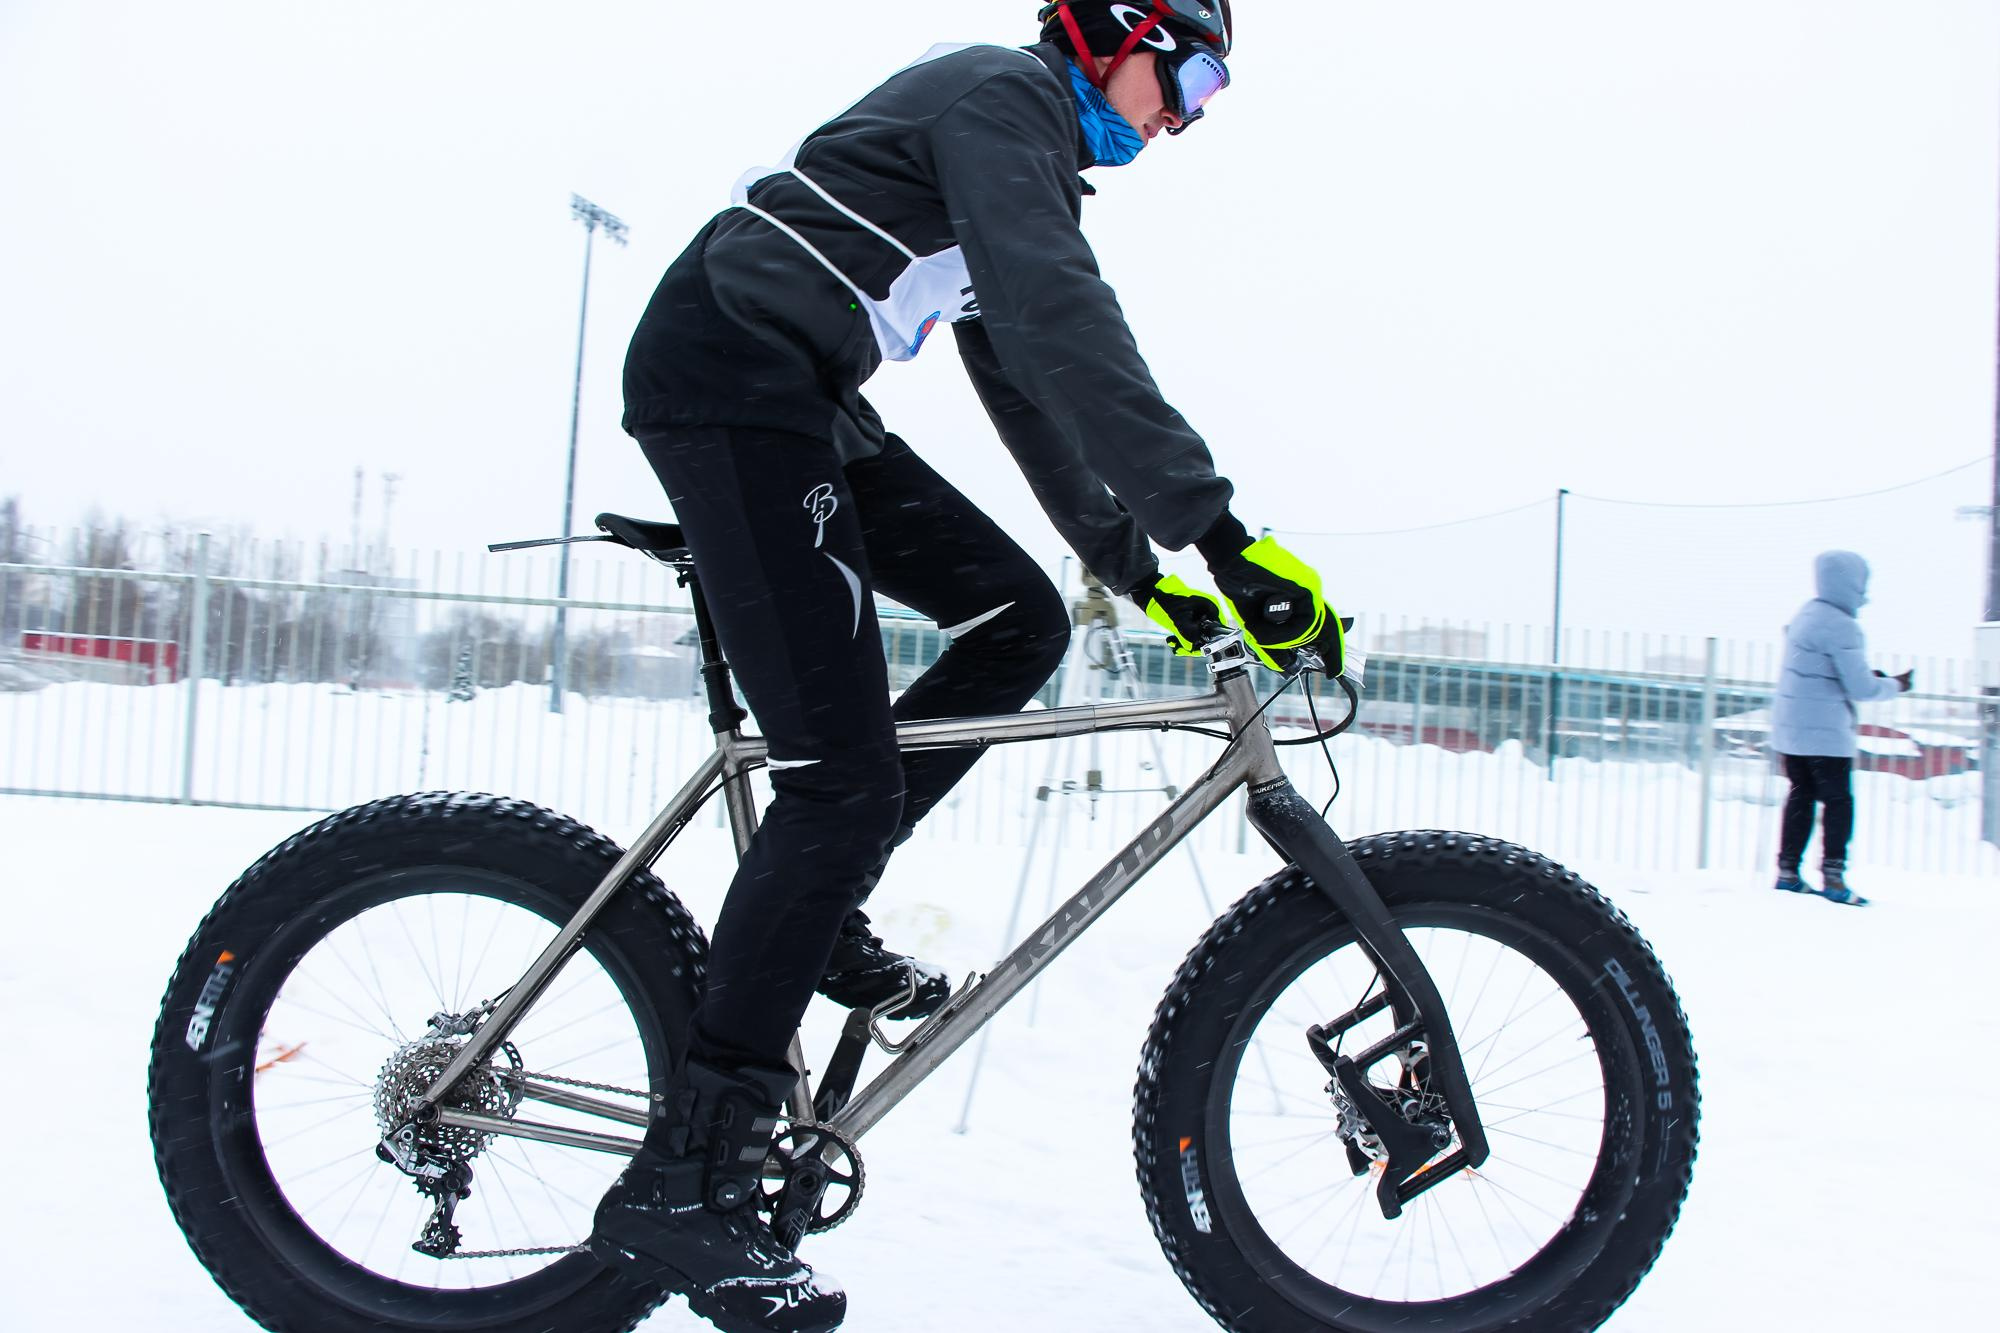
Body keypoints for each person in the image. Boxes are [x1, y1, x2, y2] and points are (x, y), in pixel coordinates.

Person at [586, 6, 1337, 1331]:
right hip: (733, 373)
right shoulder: (1005, 102)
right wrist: (1217, 529)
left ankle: (829, 910)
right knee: (841, 783)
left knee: (1018, 616)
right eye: (1196, 74)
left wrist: (1143, 565)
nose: (1195, 113)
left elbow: (1036, 392)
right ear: (1120, 31)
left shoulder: (1023, 157)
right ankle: (687, 1186)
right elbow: (1066, 318)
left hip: (800, 398)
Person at [1768, 550, 1909, 907]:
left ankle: (1787, 873)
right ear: (1850, 583)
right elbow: (1860, 687)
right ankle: (1834, 878)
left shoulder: (1805, 615)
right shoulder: (1842, 625)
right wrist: (1896, 685)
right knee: (1838, 802)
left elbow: (1824, 675)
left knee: (1800, 794)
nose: (1865, 594)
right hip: (1826, 736)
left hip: (1792, 731)